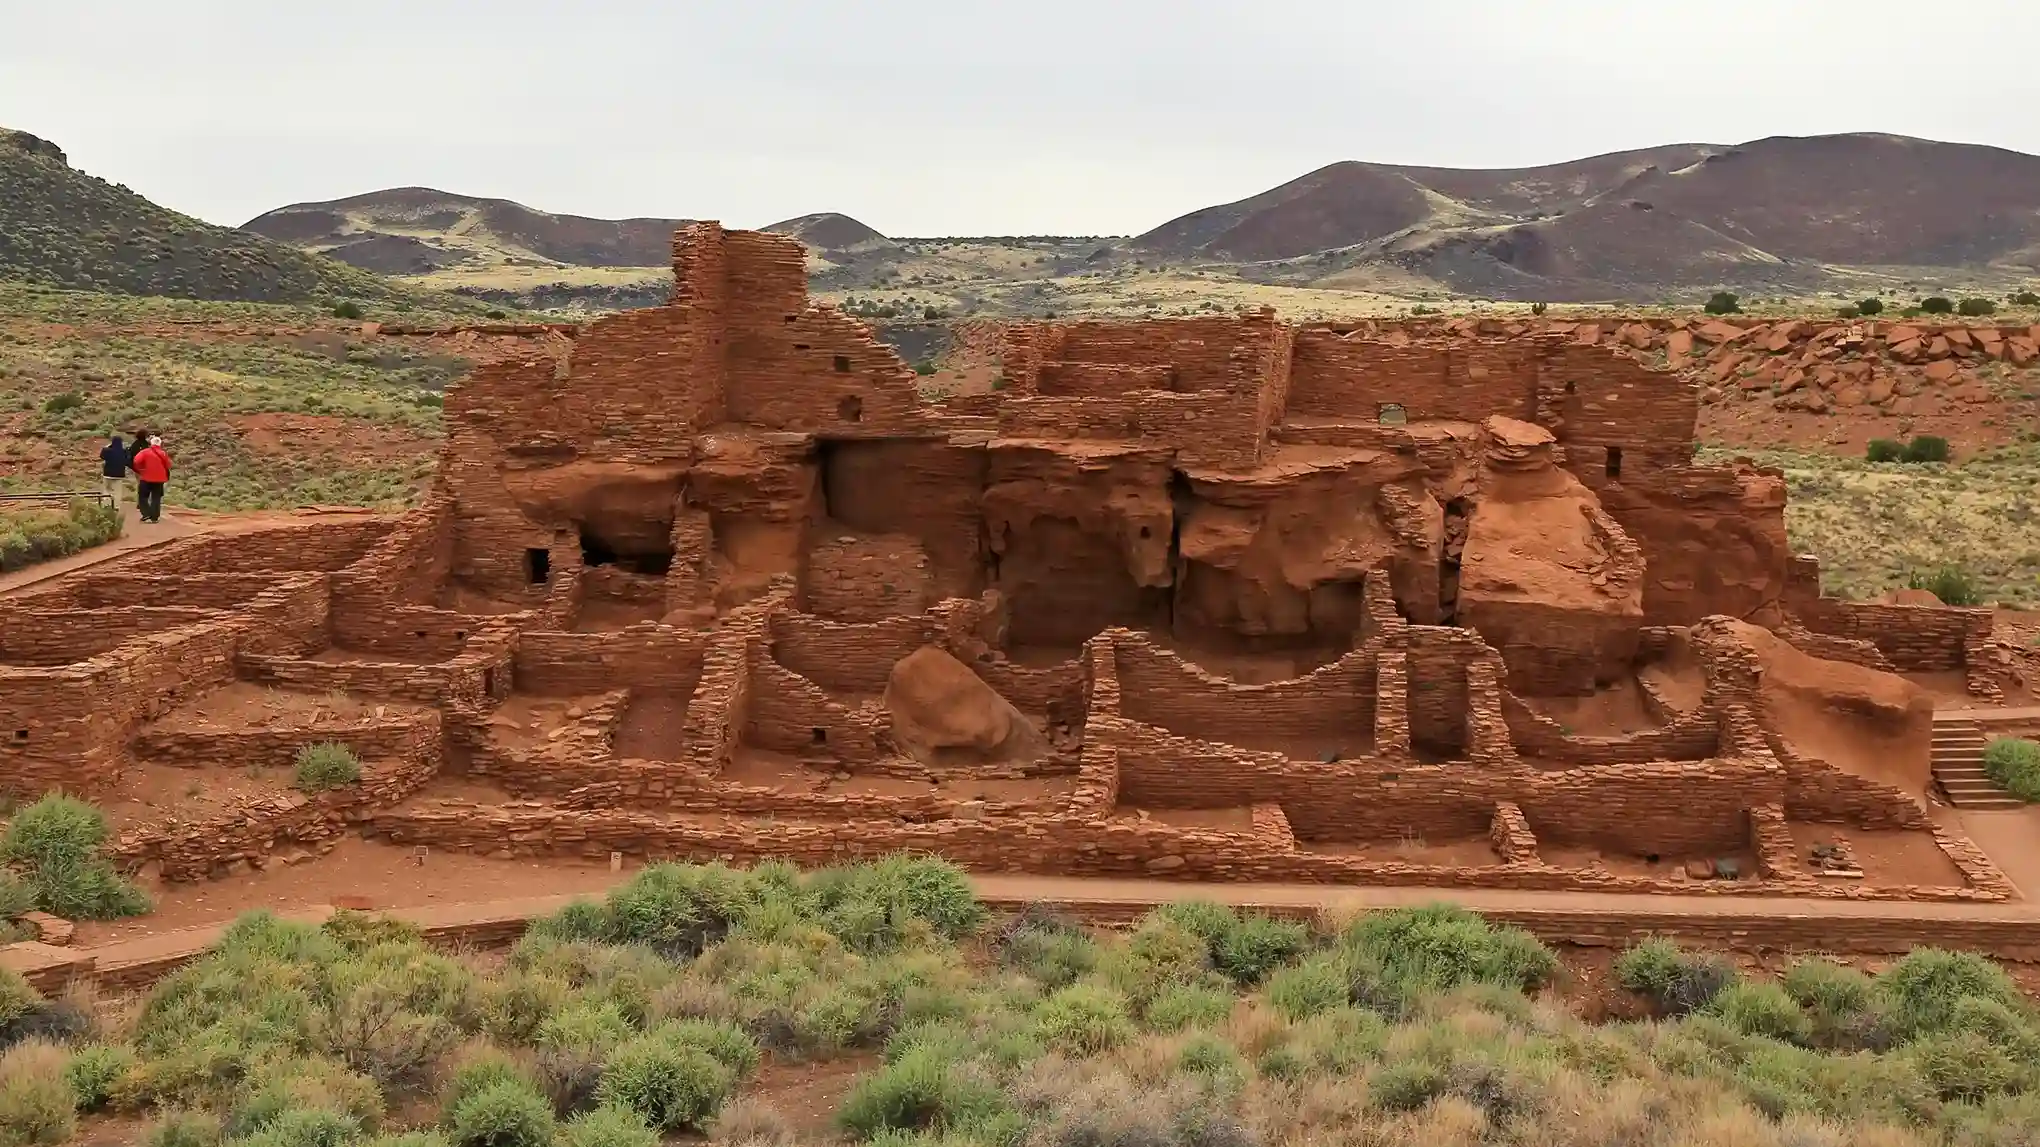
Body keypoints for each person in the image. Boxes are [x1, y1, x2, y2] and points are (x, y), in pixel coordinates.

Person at [130, 434, 172, 523]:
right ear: (160, 444)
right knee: (156, 498)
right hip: (160, 479)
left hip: (146, 478)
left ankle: (146, 514)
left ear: (151, 443)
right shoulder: (163, 453)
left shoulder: (145, 452)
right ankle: (154, 517)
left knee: (142, 496)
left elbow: (136, 461)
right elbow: (168, 465)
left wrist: (141, 470)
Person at [97, 433, 129, 510]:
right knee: (117, 491)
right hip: (119, 474)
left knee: (107, 490)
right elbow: (127, 460)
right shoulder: (124, 451)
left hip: (108, 473)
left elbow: (101, 455)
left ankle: (106, 505)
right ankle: (116, 506)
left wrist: (108, 446)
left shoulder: (107, 450)